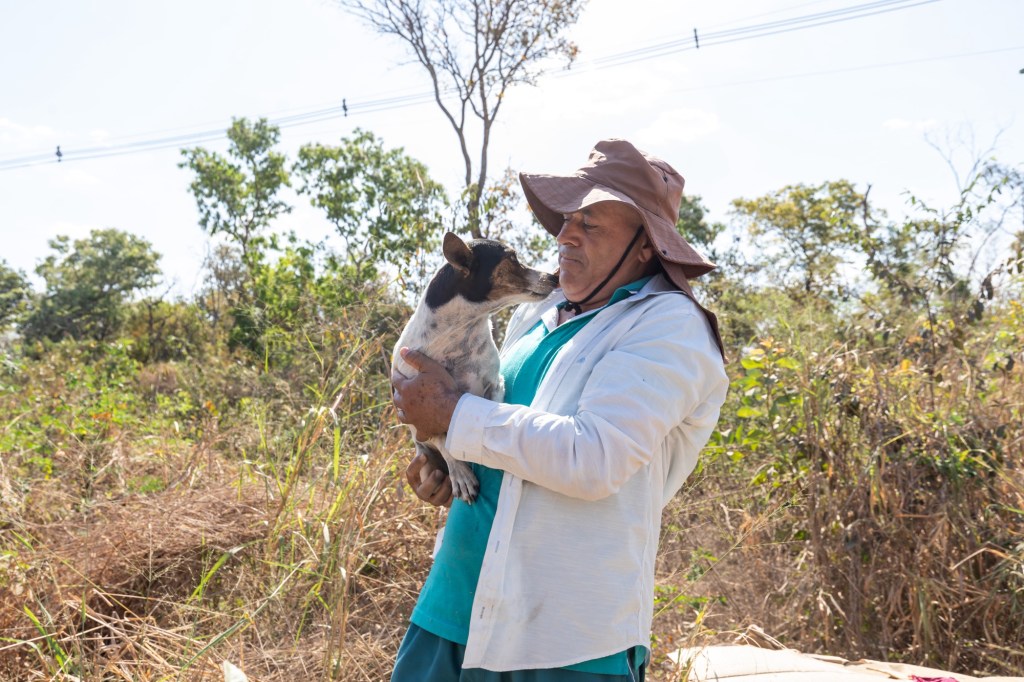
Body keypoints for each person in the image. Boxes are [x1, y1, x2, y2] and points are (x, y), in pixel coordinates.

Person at [390, 139, 728, 681]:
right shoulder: (540, 315)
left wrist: (454, 416)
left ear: (646, 247)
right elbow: (498, 444)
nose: (566, 233)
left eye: (591, 223)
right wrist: (444, 465)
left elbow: (593, 458)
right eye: (569, 218)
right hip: (454, 609)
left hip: (563, 646)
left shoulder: (669, 326)